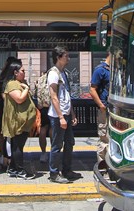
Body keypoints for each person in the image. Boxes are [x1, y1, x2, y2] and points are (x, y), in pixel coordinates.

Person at [48, 45, 77, 184]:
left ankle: (67, 169)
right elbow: (53, 96)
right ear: (58, 58)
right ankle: (54, 173)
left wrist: (72, 114)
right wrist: (60, 117)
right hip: (57, 115)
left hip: (66, 113)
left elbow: (67, 95)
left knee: (69, 142)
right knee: (57, 144)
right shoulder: (53, 73)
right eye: (66, 56)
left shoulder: (63, 73)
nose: (68, 58)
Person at [2, 62, 37, 179]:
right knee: (18, 146)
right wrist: (26, 88)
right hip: (17, 121)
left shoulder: (20, 83)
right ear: (15, 72)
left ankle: (13, 168)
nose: (24, 73)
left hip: (24, 121)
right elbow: (19, 99)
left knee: (18, 145)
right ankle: (20, 170)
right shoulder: (12, 84)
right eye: (22, 71)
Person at [0, 56, 21, 172]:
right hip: (8, 112)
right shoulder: (10, 83)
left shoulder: (0, 81)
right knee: (9, 136)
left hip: (2, 110)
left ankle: (3, 156)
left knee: (2, 134)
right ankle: (8, 158)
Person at [89, 51, 111, 169]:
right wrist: (101, 105)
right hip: (105, 109)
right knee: (104, 139)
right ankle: (103, 167)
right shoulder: (100, 70)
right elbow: (92, 89)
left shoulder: (116, 69)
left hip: (114, 109)